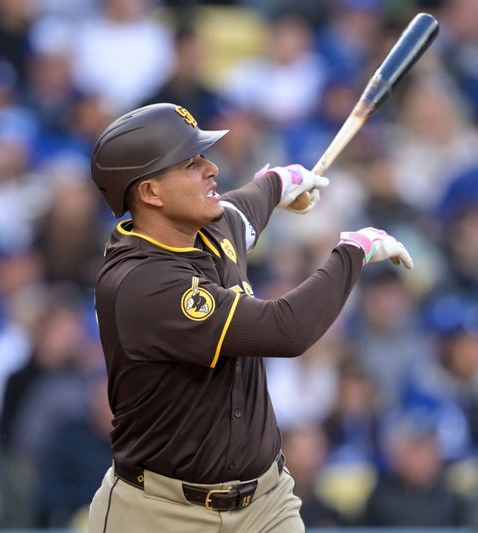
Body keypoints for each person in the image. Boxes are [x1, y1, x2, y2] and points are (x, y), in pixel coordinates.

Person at [86, 102, 413, 533]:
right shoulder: (143, 283)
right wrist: (353, 251)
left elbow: (246, 206)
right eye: (191, 163)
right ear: (150, 193)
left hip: (265, 504)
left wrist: (281, 182)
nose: (211, 168)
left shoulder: (204, 226)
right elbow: (286, 331)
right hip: (160, 512)